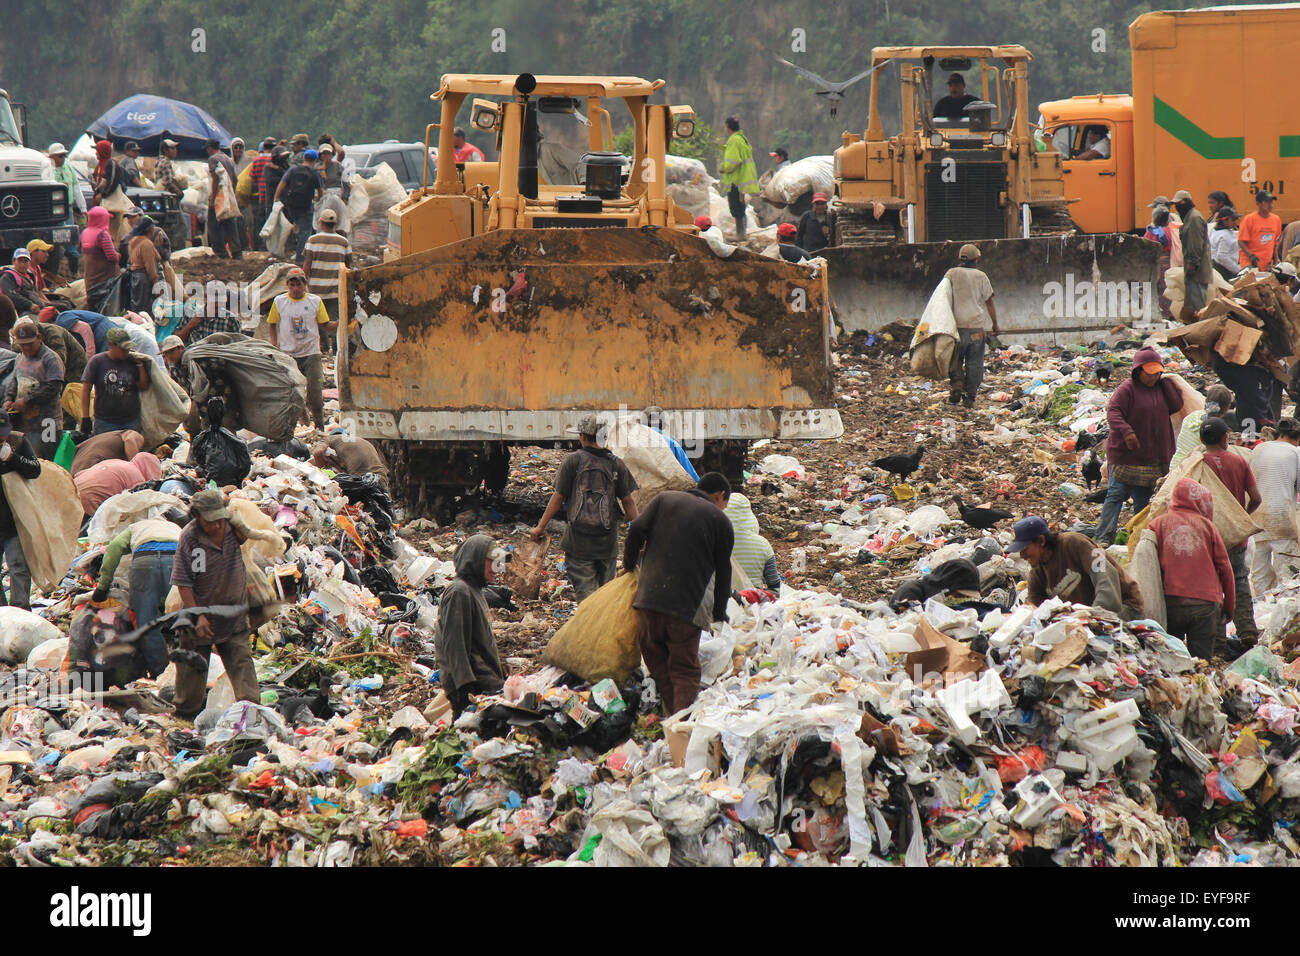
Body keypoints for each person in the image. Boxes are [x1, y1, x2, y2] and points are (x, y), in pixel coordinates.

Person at [622, 472, 734, 715]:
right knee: (684, 669)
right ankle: (679, 727)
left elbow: (636, 530)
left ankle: (669, 718)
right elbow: (725, 572)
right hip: (685, 610)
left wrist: (629, 566)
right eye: (725, 504)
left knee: (658, 663)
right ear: (721, 495)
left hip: (647, 602)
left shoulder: (664, 500)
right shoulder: (720, 521)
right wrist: (718, 613)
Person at [170, 490, 260, 720]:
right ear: (197, 516)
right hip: (201, 614)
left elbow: (246, 535)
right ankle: (185, 718)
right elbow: (183, 583)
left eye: (220, 519)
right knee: (192, 671)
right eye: (211, 521)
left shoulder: (231, 529)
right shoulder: (190, 538)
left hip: (233, 613)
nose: (217, 526)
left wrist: (234, 520)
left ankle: (250, 717)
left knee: (241, 663)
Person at [529, 414, 639, 600]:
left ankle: (590, 626)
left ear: (583, 437)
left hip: (578, 542)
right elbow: (628, 501)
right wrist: (640, 532)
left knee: (586, 597)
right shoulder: (616, 464)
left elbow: (558, 497)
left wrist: (541, 526)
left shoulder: (573, 461)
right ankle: (603, 627)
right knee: (605, 597)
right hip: (607, 544)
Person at [1094, 347, 1184, 545]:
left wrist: (1167, 382)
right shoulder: (1127, 389)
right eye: (1149, 374)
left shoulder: (1161, 388)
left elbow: (1176, 405)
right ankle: (1103, 537)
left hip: (1153, 455)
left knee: (1143, 501)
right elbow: (1114, 412)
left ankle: (1140, 539)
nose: (1153, 378)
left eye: (1157, 373)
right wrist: (1127, 432)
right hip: (1127, 455)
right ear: (1138, 371)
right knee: (1116, 495)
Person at [1149, 478, 1235, 660]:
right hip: (1206, 605)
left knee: (1173, 660)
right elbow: (1225, 568)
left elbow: (1148, 564)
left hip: (1171, 603)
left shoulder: (1158, 525)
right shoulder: (1207, 526)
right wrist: (1229, 605)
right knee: (1202, 663)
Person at [92, 512, 185, 676]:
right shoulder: (175, 527)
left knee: (148, 623)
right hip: (176, 561)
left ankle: (161, 674)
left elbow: (113, 550)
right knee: (183, 617)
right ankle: (185, 672)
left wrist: (102, 587)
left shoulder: (135, 528)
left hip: (144, 563)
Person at [1198, 416, 1260, 650]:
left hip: (1208, 538)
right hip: (1235, 538)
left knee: (1213, 585)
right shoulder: (1239, 462)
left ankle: (1218, 642)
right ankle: (1247, 632)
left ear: (1202, 440)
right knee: (1239, 581)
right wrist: (1240, 517)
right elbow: (1256, 499)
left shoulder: (1197, 465)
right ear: (1225, 438)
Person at [1008, 516, 1143, 619]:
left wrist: (1090, 617)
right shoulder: (1037, 572)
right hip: (1082, 618)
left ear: (1041, 541)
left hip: (1122, 607)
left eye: (1025, 549)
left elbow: (1106, 581)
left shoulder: (1074, 543)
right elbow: (1037, 609)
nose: (1022, 555)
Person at [434, 534, 508, 716]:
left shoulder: (475, 590)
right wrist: (465, 690)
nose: (496, 567)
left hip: (483, 679)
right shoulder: (460, 591)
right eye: (491, 561)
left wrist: (500, 667)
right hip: (470, 685)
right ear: (475, 560)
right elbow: (455, 645)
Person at [266, 268, 334, 430]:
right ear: (287, 285)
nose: (296, 288)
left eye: (299, 284)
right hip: (289, 355)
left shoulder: (315, 301)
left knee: (315, 392)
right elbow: (272, 323)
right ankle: (302, 422)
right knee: (293, 392)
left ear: (305, 285)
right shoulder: (280, 302)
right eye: (292, 285)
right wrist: (275, 344)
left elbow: (325, 325)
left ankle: (319, 426)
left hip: (311, 353)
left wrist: (343, 322)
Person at [1249, 417, 1300, 594]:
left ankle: (1261, 609)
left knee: (1260, 572)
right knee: (1287, 574)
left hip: (1257, 518)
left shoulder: (1259, 449)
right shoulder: (1296, 453)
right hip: (1282, 518)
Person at [945, 243, 999, 409]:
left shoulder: (952, 274)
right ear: (977, 259)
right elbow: (989, 301)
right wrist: (995, 324)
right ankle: (969, 397)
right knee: (974, 363)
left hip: (956, 327)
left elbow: (942, 296)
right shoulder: (981, 276)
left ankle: (957, 385)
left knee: (954, 360)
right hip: (976, 328)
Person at [4, 320, 64, 458]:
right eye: (22, 345)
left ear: (39, 338)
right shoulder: (20, 358)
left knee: (43, 460)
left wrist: (27, 400)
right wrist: (9, 399)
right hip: (23, 422)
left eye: (30, 344)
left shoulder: (51, 358)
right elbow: (14, 381)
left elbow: (53, 387)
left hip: (47, 421)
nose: (26, 348)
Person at [0, 413, 40, 610]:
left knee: (18, 568)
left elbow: (35, 470)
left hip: (15, 519)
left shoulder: (18, 441)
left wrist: (12, 459)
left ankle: (21, 609)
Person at [81, 327, 151, 436]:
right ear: (111, 345)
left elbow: (143, 386)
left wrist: (140, 366)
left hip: (131, 420)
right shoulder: (97, 361)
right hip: (105, 421)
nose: (126, 352)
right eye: (123, 349)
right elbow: (86, 389)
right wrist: (85, 417)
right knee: (107, 451)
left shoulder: (132, 361)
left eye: (128, 349)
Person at [303, 208, 352, 329]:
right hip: (336, 290)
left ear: (321, 223)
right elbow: (348, 267)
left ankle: (322, 346)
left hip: (316, 290)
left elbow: (307, 265)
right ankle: (336, 346)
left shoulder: (312, 240)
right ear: (335, 224)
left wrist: (303, 283)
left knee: (317, 323)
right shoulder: (344, 242)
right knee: (334, 323)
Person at [73, 452, 161, 516]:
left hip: (72, 489)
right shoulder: (136, 476)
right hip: (90, 499)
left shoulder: (116, 461)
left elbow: (79, 474)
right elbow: (138, 506)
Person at [725, 493, 782, 591]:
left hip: (723, 602)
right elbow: (775, 586)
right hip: (754, 601)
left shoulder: (714, 544)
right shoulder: (763, 544)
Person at [275, 149, 324, 262]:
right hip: (306, 206)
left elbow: (282, 183)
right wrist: (317, 198)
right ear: (315, 160)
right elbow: (320, 191)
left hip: (291, 205)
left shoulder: (293, 169)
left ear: (304, 158)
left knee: (291, 228)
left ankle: (287, 251)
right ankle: (300, 258)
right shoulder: (315, 173)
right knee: (305, 232)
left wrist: (276, 198)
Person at [1170, 384, 1234, 471]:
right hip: (1191, 469)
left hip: (1175, 466)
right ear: (1227, 407)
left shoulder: (1192, 416)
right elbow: (1220, 453)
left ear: (1206, 400)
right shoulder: (1216, 427)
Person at [47, 143, 86, 274]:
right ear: (52, 157)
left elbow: (76, 189)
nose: (62, 158)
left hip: (67, 210)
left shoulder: (69, 169)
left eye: (64, 155)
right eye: (59, 156)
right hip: (51, 213)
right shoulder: (46, 171)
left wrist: (82, 207)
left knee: (71, 242)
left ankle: (74, 273)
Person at [719, 117, 759, 241]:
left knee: (736, 208)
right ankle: (742, 234)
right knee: (740, 208)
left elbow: (733, 161)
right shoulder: (743, 139)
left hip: (735, 180)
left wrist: (723, 168)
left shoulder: (734, 140)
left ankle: (740, 236)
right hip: (742, 180)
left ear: (727, 127)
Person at [1175, 189, 1212, 320]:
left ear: (1186, 202)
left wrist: (1193, 263)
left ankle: (1200, 330)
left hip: (1197, 269)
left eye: (1178, 203)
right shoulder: (1190, 217)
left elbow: (1195, 243)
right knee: (1193, 304)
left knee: (1198, 307)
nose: (1176, 207)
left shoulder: (1194, 218)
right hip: (1194, 269)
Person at [205, 139, 243, 260]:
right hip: (228, 197)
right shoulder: (228, 159)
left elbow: (215, 178)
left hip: (218, 198)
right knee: (230, 224)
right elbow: (235, 179)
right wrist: (230, 194)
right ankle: (237, 253)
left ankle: (221, 253)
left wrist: (212, 199)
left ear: (210, 148)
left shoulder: (213, 159)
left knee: (213, 225)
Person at [311, 431, 390, 488]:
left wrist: (321, 473)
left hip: (363, 479)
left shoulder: (330, 439)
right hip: (381, 478)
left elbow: (318, 452)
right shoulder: (361, 441)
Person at [80, 207, 122, 314]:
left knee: (93, 307)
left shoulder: (85, 233)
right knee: (106, 306)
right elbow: (111, 256)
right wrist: (119, 255)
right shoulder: (103, 234)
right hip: (104, 278)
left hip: (90, 278)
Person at [177, 280, 244, 343]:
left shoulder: (231, 319)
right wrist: (190, 325)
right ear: (205, 298)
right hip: (196, 354)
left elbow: (238, 346)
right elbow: (177, 342)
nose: (217, 304)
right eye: (214, 300)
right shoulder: (190, 314)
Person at [155, 138, 190, 249]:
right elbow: (167, 182)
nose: (175, 151)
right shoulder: (165, 162)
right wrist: (178, 192)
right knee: (181, 225)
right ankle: (177, 249)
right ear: (165, 150)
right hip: (168, 199)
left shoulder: (161, 161)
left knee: (171, 225)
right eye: (172, 148)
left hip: (165, 199)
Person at [91, 140, 128, 242]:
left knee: (111, 229)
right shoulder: (99, 165)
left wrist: (102, 194)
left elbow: (112, 182)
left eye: (97, 151)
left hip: (110, 203)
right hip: (101, 202)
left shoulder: (111, 164)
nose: (96, 153)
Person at [1238, 189, 1282, 273]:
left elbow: (1275, 243)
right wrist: (1250, 255)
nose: (1271, 205)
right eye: (1267, 202)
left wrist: (1276, 260)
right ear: (1258, 204)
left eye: (1271, 202)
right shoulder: (1249, 219)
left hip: (1266, 265)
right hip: (1250, 264)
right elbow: (1241, 241)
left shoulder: (1276, 219)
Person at [125, 216, 162, 314]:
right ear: (150, 230)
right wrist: (156, 283)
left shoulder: (133, 241)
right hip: (144, 278)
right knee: (146, 308)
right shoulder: (146, 244)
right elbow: (150, 266)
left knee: (137, 305)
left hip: (135, 277)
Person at [71, 428, 144, 477]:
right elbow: (129, 440)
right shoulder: (135, 435)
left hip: (74, 467)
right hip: (91, 465)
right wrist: (136, 469)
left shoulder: (110, 435)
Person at [0, 249, 46, 315]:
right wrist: (30, 305)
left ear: (29, 263)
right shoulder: (7, 276)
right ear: (13, 261)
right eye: (20, 261)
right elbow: (11, 296)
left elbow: (35, 294)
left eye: (25, 261)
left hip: (35, 308)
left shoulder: (30, 275)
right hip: (17, 311)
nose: (22, 264)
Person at [1210, 206, 1241, 280]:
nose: (1235, 222)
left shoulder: (1214, 232)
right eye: (1233, 220)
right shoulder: (1225, 235)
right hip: (1225, 272)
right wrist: (1238, 270)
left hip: (1215, 269)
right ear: (1225, 220)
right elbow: (1222, 257)